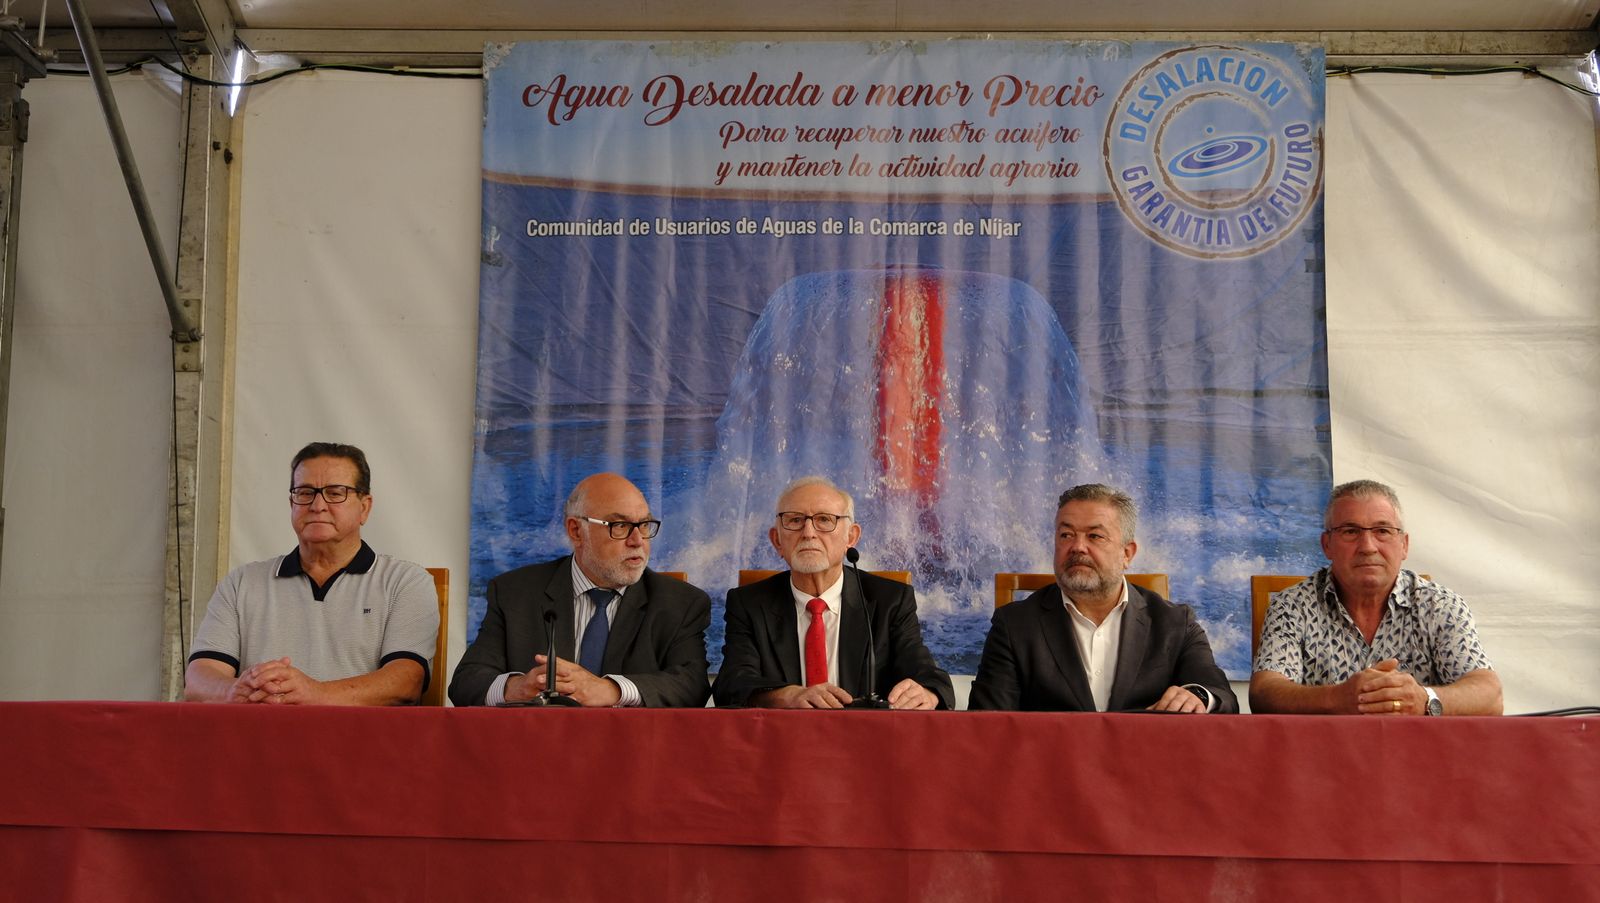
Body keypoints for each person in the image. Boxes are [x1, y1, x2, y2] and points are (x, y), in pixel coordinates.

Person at [185, 442, 439, 705]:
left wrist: (314, 693)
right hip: (258, 729)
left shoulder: (404, 582)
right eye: (305, 493)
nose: (317, 505)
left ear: (364, 507)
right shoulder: (241, 583)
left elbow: (405, 682)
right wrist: (235, 690)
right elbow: (198, 679)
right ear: (291, 503)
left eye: (335, 493)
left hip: (358, 732)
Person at [969, 483, 1236, 713]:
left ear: (1127, 554)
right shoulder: (1014, 625)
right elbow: (988, 723)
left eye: (1095, 536)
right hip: (1050, 757)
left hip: (1143, 756)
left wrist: (1198, 696)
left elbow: (1221, 696)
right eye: (1066, 535)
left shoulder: (1175, 622)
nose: (1077, 547)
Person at [449, 472, 710, 707]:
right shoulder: (515, 593)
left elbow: (692, 686)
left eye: (644, 525)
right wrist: (516, 687)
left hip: (632, 744)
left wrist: (612, 690)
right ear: (576, 531)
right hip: (539, 742)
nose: (637, 541)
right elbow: (466, 682)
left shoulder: (680, 603)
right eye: (620, 526)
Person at [1250, 479, 1502, 715]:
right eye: (1350, 531)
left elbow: (1491, 697)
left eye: (1382, 530)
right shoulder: (1292, 606)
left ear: (1404, 545)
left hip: (1418, 747)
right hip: (1324, 747)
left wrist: (1425, 699)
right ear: (1327, 545)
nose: (1368, 547)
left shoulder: (1440, 606)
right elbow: (1264, 693)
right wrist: (1336, 697)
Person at [713, 476, 954, 710]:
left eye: (824, 520)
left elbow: (926, 674)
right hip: (782, 734)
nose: (808, 532)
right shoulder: (749, 603)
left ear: (851, 537)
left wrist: (927, 692)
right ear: (777, 541)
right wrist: (787, 696)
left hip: (866, 734)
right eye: (795, 520)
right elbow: (732, 683)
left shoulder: (889, 600)